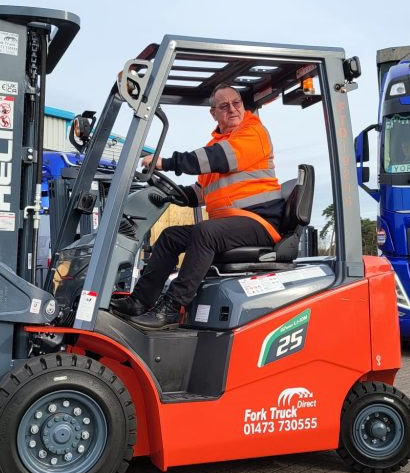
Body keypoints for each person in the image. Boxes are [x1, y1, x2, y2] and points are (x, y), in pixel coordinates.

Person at [110, 83, 284, 330]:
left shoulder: (253, 132)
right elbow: (200, 193)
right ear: (213, 113)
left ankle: (171, 307)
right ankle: (140, 301)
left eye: (237, 103)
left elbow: (216, 159)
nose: (232, 109)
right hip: (231, 224)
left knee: (206, 232)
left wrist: (166, 163)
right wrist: (168, 193)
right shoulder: (219, 143)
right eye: (224, 106)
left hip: (259, 221)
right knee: (171, 236)